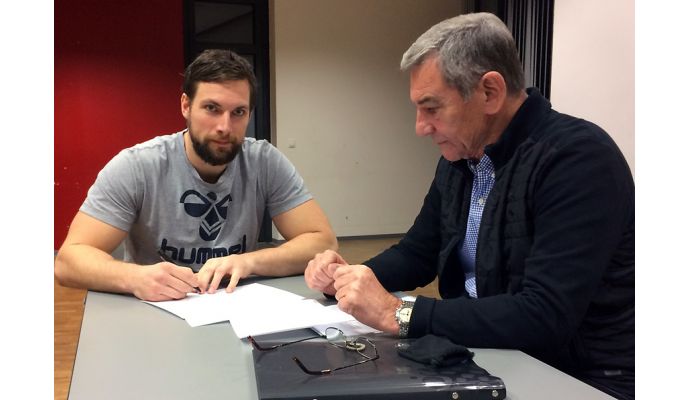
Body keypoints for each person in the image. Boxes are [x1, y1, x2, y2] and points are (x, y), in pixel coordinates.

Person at [305, 13, 633, 400]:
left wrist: (400, 313)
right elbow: (417, 253)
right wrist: (351, 279)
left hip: (581, 375)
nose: (420, 127)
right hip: (491, 353)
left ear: (490, 92)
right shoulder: (460, 160)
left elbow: (545, 314)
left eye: (432, 108)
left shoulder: (577, 159)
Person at [55, 49, 337, 302]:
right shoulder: (137, 166)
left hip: (235, 305)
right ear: (186, 106)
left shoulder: (264, 161)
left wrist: (249, 262)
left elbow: (322, 242)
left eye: (238, 112)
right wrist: (135, 278)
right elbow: (68, 261)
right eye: (212, 108)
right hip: (157, 308)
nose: (224, 127)